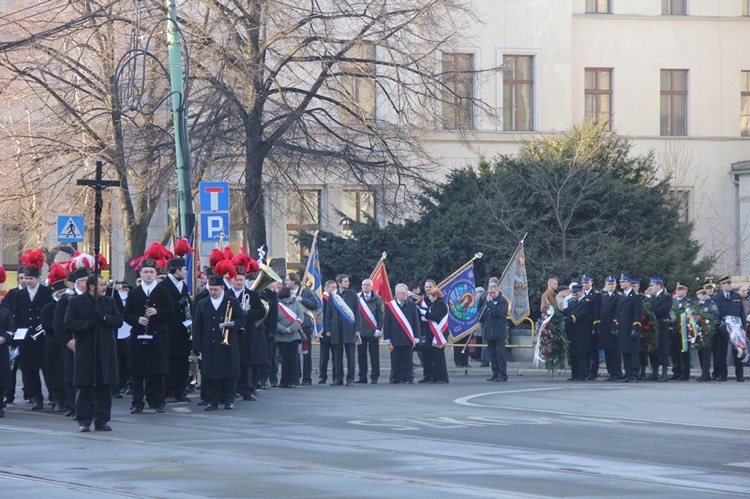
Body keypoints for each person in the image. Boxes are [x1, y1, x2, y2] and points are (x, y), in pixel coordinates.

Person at [64, 274, 123, 432]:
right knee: (85, 386)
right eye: (102, 285)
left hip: (105, 349)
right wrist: (89, 324)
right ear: (92, 287)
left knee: (105, 386)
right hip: (86, 349)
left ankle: (102, 420)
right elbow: (68, 323)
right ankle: (84, 420)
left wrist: (103, 318)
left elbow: (118, 320)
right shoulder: (76, 302)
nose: (105, 288)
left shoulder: (109, 301)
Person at [123, 257, 175, 414]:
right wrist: (137, 319)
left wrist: (158, 312)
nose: (148, 275)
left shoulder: (163, 291)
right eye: (145, 272)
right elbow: (126, 314)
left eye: (151, 272)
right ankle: (137, 402)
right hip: (139, 336)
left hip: (158, 335)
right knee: (137, 371)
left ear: (155, 274)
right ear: (140, 273)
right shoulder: (134, 293)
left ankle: (158, 401)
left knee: (158, 371)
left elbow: (171, 312)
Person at [192, 274, 247, 410]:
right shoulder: (202, 303)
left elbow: (242, 318)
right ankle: (213, 401)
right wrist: (196, 345)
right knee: (211, 374)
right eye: (211, 289)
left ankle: (229, 399)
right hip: (209, 344)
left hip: (227, 343)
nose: (213, 292)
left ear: (222, 287)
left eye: (216, 289)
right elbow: (197, 325)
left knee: (229, 373)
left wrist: (233, 324)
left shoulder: (231, 301)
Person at [13, 252, 53, 411]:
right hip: (27, 336)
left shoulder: (46, 292)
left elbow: (50, 312)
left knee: (47, 367)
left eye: (31, 278)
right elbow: (17, 315)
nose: (28, 281)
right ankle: (37, 397)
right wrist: (18, 334)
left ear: (38, 279)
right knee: (30, 369)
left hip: (42, 335)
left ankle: (53, 395)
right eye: (26, 278)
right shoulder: (19, 295)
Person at [158, 251, 193, 403]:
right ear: (177, 270)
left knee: (183, 361)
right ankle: (169, 391)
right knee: (171, 362)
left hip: (183, 330)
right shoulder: (164, 286)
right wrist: (177, 305)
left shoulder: (183, 286)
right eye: (184, 269)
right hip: (170, 330)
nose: (186, 271)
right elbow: (162, 307)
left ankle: (180, 390)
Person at [41, 264, 69, 412]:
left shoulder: (70, 303)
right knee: (54, 372)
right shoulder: (48, 308)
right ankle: (57, 397)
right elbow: (47, 324)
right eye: (60, 292)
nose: (63, 294)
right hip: (53, 344)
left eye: (65, 291)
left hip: (66, 343)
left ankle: (67, 399)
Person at [325, 274, 361, 386]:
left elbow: (357, 313)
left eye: (348, 281)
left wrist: (357, 329)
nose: (348, 283)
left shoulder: (353, 294)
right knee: (337, 356)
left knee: (350, 356)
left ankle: (350, 378)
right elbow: (328, 313)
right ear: (339, 283)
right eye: (345, 281)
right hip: (336, 329)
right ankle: (338, 378)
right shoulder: (333, 296)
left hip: (350, 328)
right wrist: (328, 328)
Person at [383, 283, 420, 384]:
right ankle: (396, 377)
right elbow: (387, 323)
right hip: (395, 336)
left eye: (406, 293)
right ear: (397, 294)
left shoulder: (412, 305)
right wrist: (387, 338)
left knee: (408, 359)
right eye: (403, 293)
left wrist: (416, 336)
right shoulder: (390, 306)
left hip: (408, 337)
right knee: (395, 359)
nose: (405, 295)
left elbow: (415, 322)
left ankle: (408, 377)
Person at [286, 273, 318, 386]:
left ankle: (307, 378)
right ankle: (296, 376)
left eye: (288, 280)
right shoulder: (286, 292)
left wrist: (302, 299)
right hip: (292, 325)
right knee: (295, 353)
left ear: (294, 281)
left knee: (306, 353)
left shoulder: (305, 291)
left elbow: (315, 304)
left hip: (305, 325)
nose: (286, 282)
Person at [712, 276, 746, 382]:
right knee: (721, 353)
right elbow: (715, 314)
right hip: (722, 329)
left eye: (730, 283)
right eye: (727, 283)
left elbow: (742, 313)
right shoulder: (716, 298)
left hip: (736, 329)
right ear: (722, 285)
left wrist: (743, 328)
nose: (730, 285)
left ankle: (739, 375)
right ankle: (723, 375)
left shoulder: (736, 297)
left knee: (738, 351)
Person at [274, 286, 304, 388]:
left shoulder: (296, 304)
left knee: (293, 359)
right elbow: (274, 321)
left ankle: (293, 381)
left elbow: (301, 317)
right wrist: (284, 329)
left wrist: (292, 328)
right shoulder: (277, 305)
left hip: (294, 335)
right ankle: (284, 381)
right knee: (284, 359)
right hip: (281, 336)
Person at [615, 274, 643, 383]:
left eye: (623, 282)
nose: (621, 284)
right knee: (624, 352)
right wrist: (616, 326)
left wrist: (636, 328)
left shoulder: (635, 296)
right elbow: (618, 313)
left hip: (631, 327)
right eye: (620, 282)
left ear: (629, 283)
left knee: (633, 353)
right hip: (622, 328)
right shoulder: (621, 297)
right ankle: (627, 373)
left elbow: (638, 314)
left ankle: (635, 374)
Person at [356, 278, 384, 384]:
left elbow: (380, 315)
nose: (365, 287)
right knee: (361, 356)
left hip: (373, 331)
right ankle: (362, 377)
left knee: (374, 355)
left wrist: (379, 329)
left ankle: (374, 377)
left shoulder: (377, 299)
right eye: (364, 285)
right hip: (361, 332)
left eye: (368, 285)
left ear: (372, 287)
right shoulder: (357, 298)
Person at [564, 283, 594, 381]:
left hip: (582, 331)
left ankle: (582, 374)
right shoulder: (572, 302)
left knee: (581, 354)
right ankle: (574, 374)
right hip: (572, 331)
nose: (575, 295)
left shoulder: (587, 302)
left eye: (577, 293)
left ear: (582, 291)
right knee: (572, 354)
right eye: (574, 293)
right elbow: (567, 312)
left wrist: (570, 318)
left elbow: (582, 315)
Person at [646, 277, 672, 382]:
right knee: (653, 349)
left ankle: (665, 372)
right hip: (653, 325)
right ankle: (655, 372)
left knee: (663, 348)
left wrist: (650, 312)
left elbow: (664, 309)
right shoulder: (652, 298)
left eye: (652, 285)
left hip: (662, 324)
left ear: (659, 285)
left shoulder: (666, 297)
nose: (650, 287)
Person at [482, 283, 509, 382]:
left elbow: (497, 312)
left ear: (498, 291)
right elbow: (483, 313)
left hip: (499, 331)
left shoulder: (502, 301)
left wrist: (490, 303)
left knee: (500, 354)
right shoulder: (488, 301)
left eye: (493, 293)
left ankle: (503, 374)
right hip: (489, 331)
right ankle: (495, 373)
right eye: (490, 293)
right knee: (492, 354)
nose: (492, 295)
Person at [597, 276, 622, 381]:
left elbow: (618, 312)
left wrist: (615, 326)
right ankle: (611, 372)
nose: (610, 286)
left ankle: (617, 373)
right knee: (607, 351)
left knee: (615, 352)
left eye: (612, 284)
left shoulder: (618, 296)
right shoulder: (603, 296)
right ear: (605, 285)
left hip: (613, 326)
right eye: (608, 284)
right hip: (604, 327)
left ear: (615, 285)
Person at [423, 285, 449, 384]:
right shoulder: (434, 304)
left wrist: (425, 315)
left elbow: (436, 316)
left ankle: (442, 377)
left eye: (430, 296)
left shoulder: (440, 304)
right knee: (434, 356)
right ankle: (435, 376)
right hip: (434, 333)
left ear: (435, 296)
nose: (429, 297)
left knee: (439, 357)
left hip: (440, 333)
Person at [694, 286, 719, 382]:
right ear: (698, 295)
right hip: (697, 332)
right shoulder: (695, 304)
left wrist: (705, 321)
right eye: (702, 294)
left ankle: (706, 374)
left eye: (705, 294)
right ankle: (704, 373)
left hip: (707, 331)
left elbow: (715, 315)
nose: (704, 296)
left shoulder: (711, 304)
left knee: (706, 353)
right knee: (700, 352)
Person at [0, 276, 15, 417]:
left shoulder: (5, 312)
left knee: (1, 379)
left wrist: (4, 338)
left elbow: (11, 328)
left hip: (1, 349)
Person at [582, 275, 601, 380]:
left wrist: (596, 326)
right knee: (585, 349)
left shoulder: (595, 295)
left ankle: (593, 372)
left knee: (593, 350)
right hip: (583, 326)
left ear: (591, 282)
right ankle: (585, 370)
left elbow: (597, 312)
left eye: (587, 282)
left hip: (591, 325)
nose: (585, 285)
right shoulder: (581, 294)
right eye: (583, 283)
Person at [671, 282, 692, 380]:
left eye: (680, 290)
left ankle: (685, 372)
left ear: (685, 291)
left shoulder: (688, 302)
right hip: (674, 329)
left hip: (683, 329)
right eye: (677, 290)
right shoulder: (673, 301)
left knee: (684, 351)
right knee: (674, 352)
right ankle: (676, 371)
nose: (678, 291)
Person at [417, 279, 436, 383]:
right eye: (426, 287)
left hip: (434, 329)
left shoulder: (436, 299)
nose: (428, 289)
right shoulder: (421, 299)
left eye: (430, 287)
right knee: (425, 353)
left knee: (434, 354)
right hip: (424, 328)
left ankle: (435, 375)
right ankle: (427, 375)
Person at [317, 280, 336, 384]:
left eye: (335, 287)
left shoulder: (336, 299)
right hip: (324, 331)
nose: (334, 289)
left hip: (335, 332)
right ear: (326, 288)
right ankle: (322, 376)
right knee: (324, 356)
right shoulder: (321, 299)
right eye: (332, 288)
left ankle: (335, 376)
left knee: (335, 356)